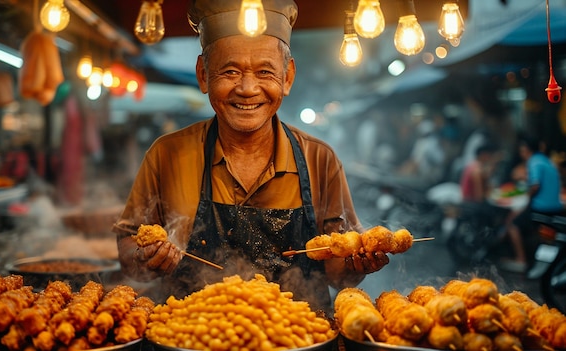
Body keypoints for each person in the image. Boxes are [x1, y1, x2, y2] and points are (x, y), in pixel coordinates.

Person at [112, 0, 389, 312]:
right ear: (203, 75)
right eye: (230, 71)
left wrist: (357, 264)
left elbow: (339, 276)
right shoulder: (167, 154)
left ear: (287, 77)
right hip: (192, 338)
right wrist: (144, 258)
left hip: (299, 341)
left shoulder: (319, 160)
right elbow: (128, 253)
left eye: (265, 72)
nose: (247, 88)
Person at [500, 135, 565, 273]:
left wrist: (526, 198)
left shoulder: (534, 162)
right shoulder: (547, 161)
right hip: (556, 207)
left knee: (513, 225)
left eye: (523, 150)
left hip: (541, 208)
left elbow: (535, 185)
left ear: (528, 150)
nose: (521, 153)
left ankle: (521, 260)